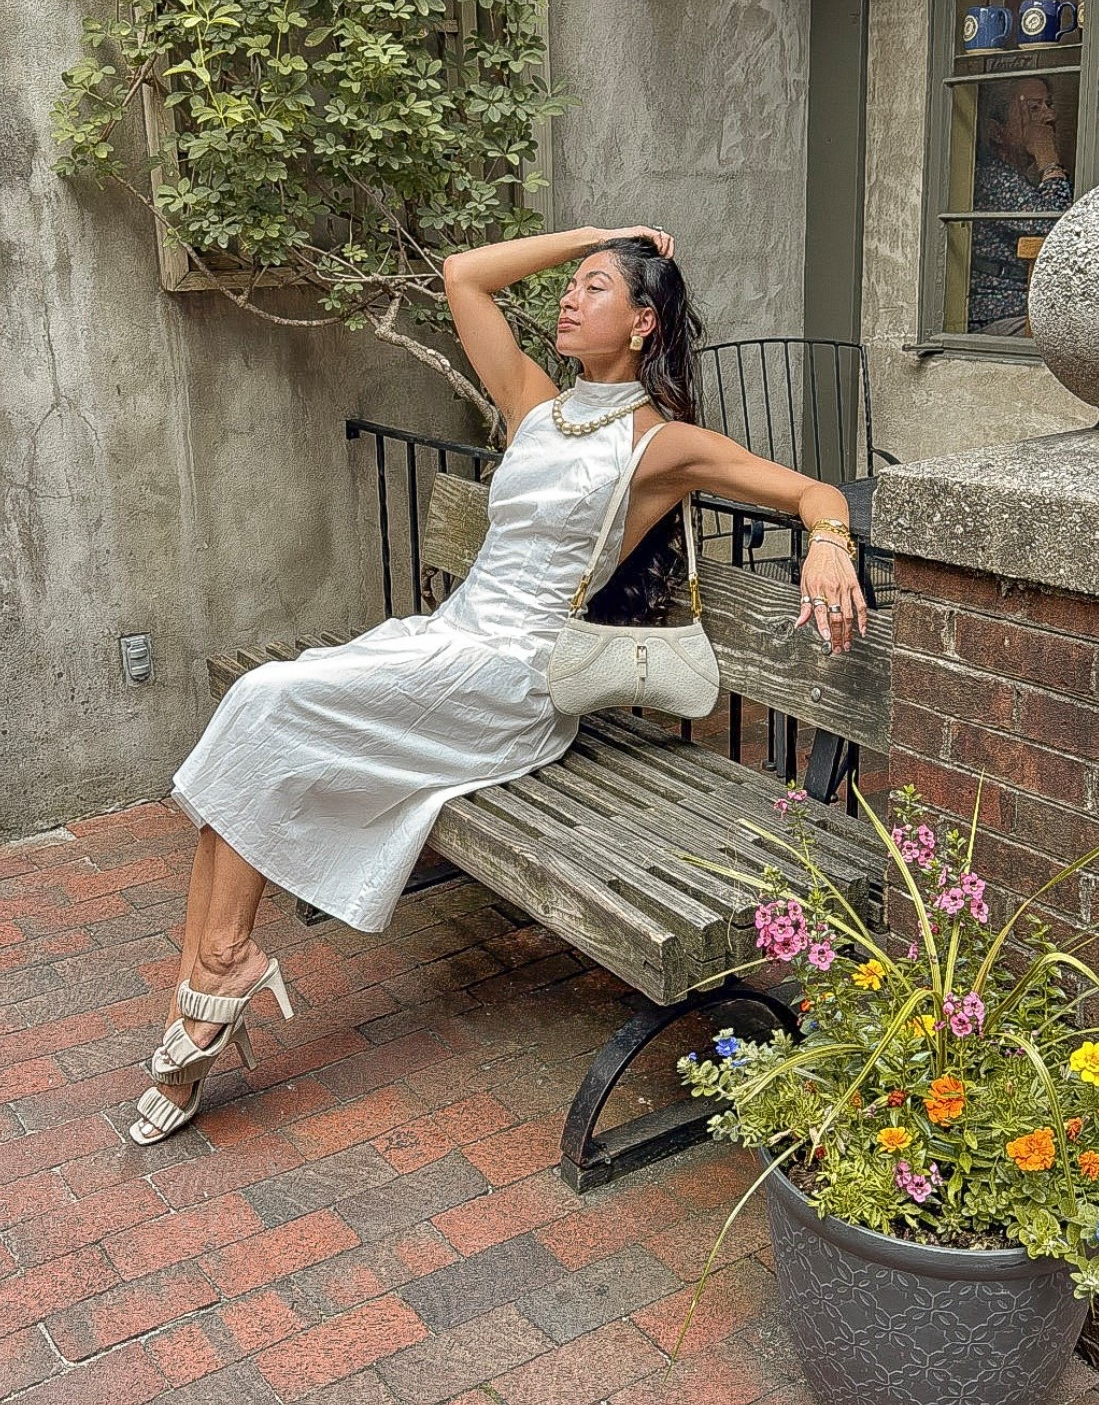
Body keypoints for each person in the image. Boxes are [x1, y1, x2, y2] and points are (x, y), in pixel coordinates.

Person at [130, 227, 868, 1144]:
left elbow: (812, 493)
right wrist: (600, 235)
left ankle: (217, 981)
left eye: (593, 287)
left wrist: (827, 548)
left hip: (512, 678)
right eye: (572, 285)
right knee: (258, 710)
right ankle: (213, 971)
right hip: (447, 639)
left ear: (642, 323)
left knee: (267, 703)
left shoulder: (661, 444)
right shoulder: (535, 407)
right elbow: (463, 276)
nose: (568, 297)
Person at [970, 76, 1073, 334]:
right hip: (998, 315)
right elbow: (1057, 231)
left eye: (1048, 105)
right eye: (1034, 108)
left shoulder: (1024, 177)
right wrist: (1048, 159)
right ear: (997, 131)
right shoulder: (992, 176)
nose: (1050, 116)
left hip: (1029, 309)